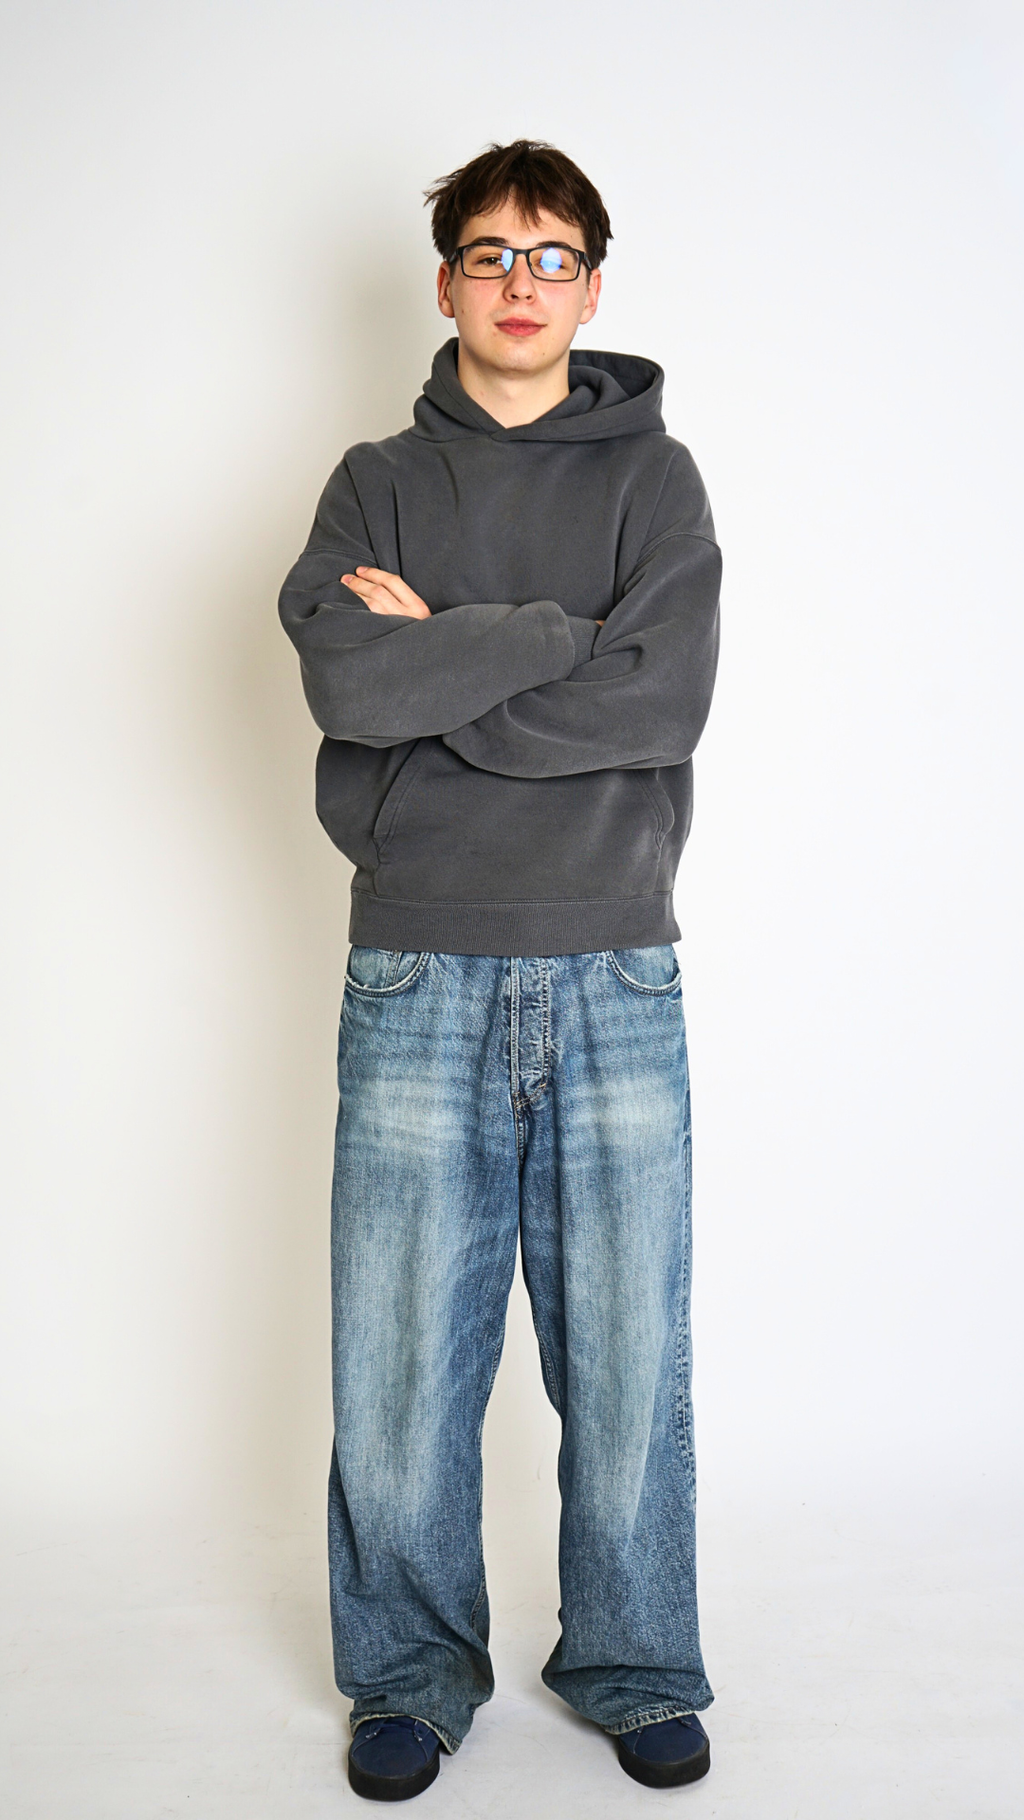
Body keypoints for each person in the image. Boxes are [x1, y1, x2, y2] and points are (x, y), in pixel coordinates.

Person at [278, 138, 721, 1802]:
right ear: (447, 279)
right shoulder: (374, 480)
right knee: (397, 1361)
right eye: (488, 253)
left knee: (627, 1353)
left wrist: (451, 647)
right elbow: (345, 685)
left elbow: (656, 705)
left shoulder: (656, 486)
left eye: (551, 256)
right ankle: (404, 1672)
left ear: (592, 285)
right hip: (415, 966)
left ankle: (634, 1659)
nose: (519, 282)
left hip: (615, 970)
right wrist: (554, 637)